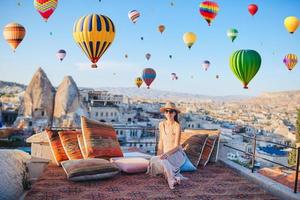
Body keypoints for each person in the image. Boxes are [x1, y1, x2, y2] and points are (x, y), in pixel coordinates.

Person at [147, 101, 187, 189]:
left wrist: (166, 154)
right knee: (154, 159)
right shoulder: (161, 124)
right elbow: (161, 141)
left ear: (175, 113)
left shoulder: (177, 126)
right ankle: (175, 177)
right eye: (166, 111)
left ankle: (171, 179)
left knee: (164, 160)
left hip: (175, 154)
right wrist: (159, 155)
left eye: (171, 111)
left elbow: (177, 146)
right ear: (164, 113)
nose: (168, 113)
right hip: (165, 153)